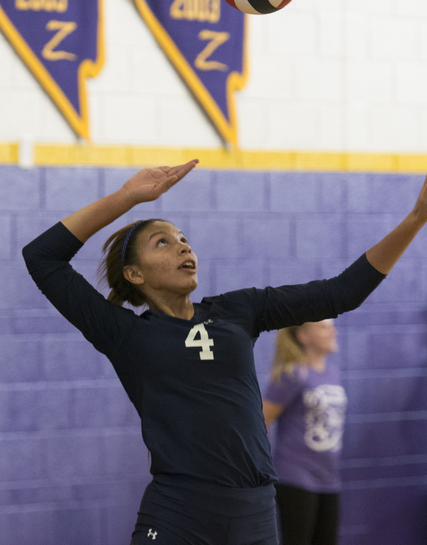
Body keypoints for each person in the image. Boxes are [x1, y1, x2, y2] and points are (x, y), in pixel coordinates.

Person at [22, 161, 427, 545]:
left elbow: (343, 292)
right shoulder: (123, 332)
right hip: (178, 511)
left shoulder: (238, 309)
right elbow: (41, 256)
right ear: (135, 274)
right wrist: (128, 195)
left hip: (254, 511)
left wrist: (415, 219)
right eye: (163, 242)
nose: (183, 247)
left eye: (184, 239)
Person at [263, 320, 345, 545]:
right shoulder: (293, 375)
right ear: (304, 336)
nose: (333, 331)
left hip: (329, 477)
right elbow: (261, 421)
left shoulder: (332, 372)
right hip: (296, 477)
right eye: (324, 327)